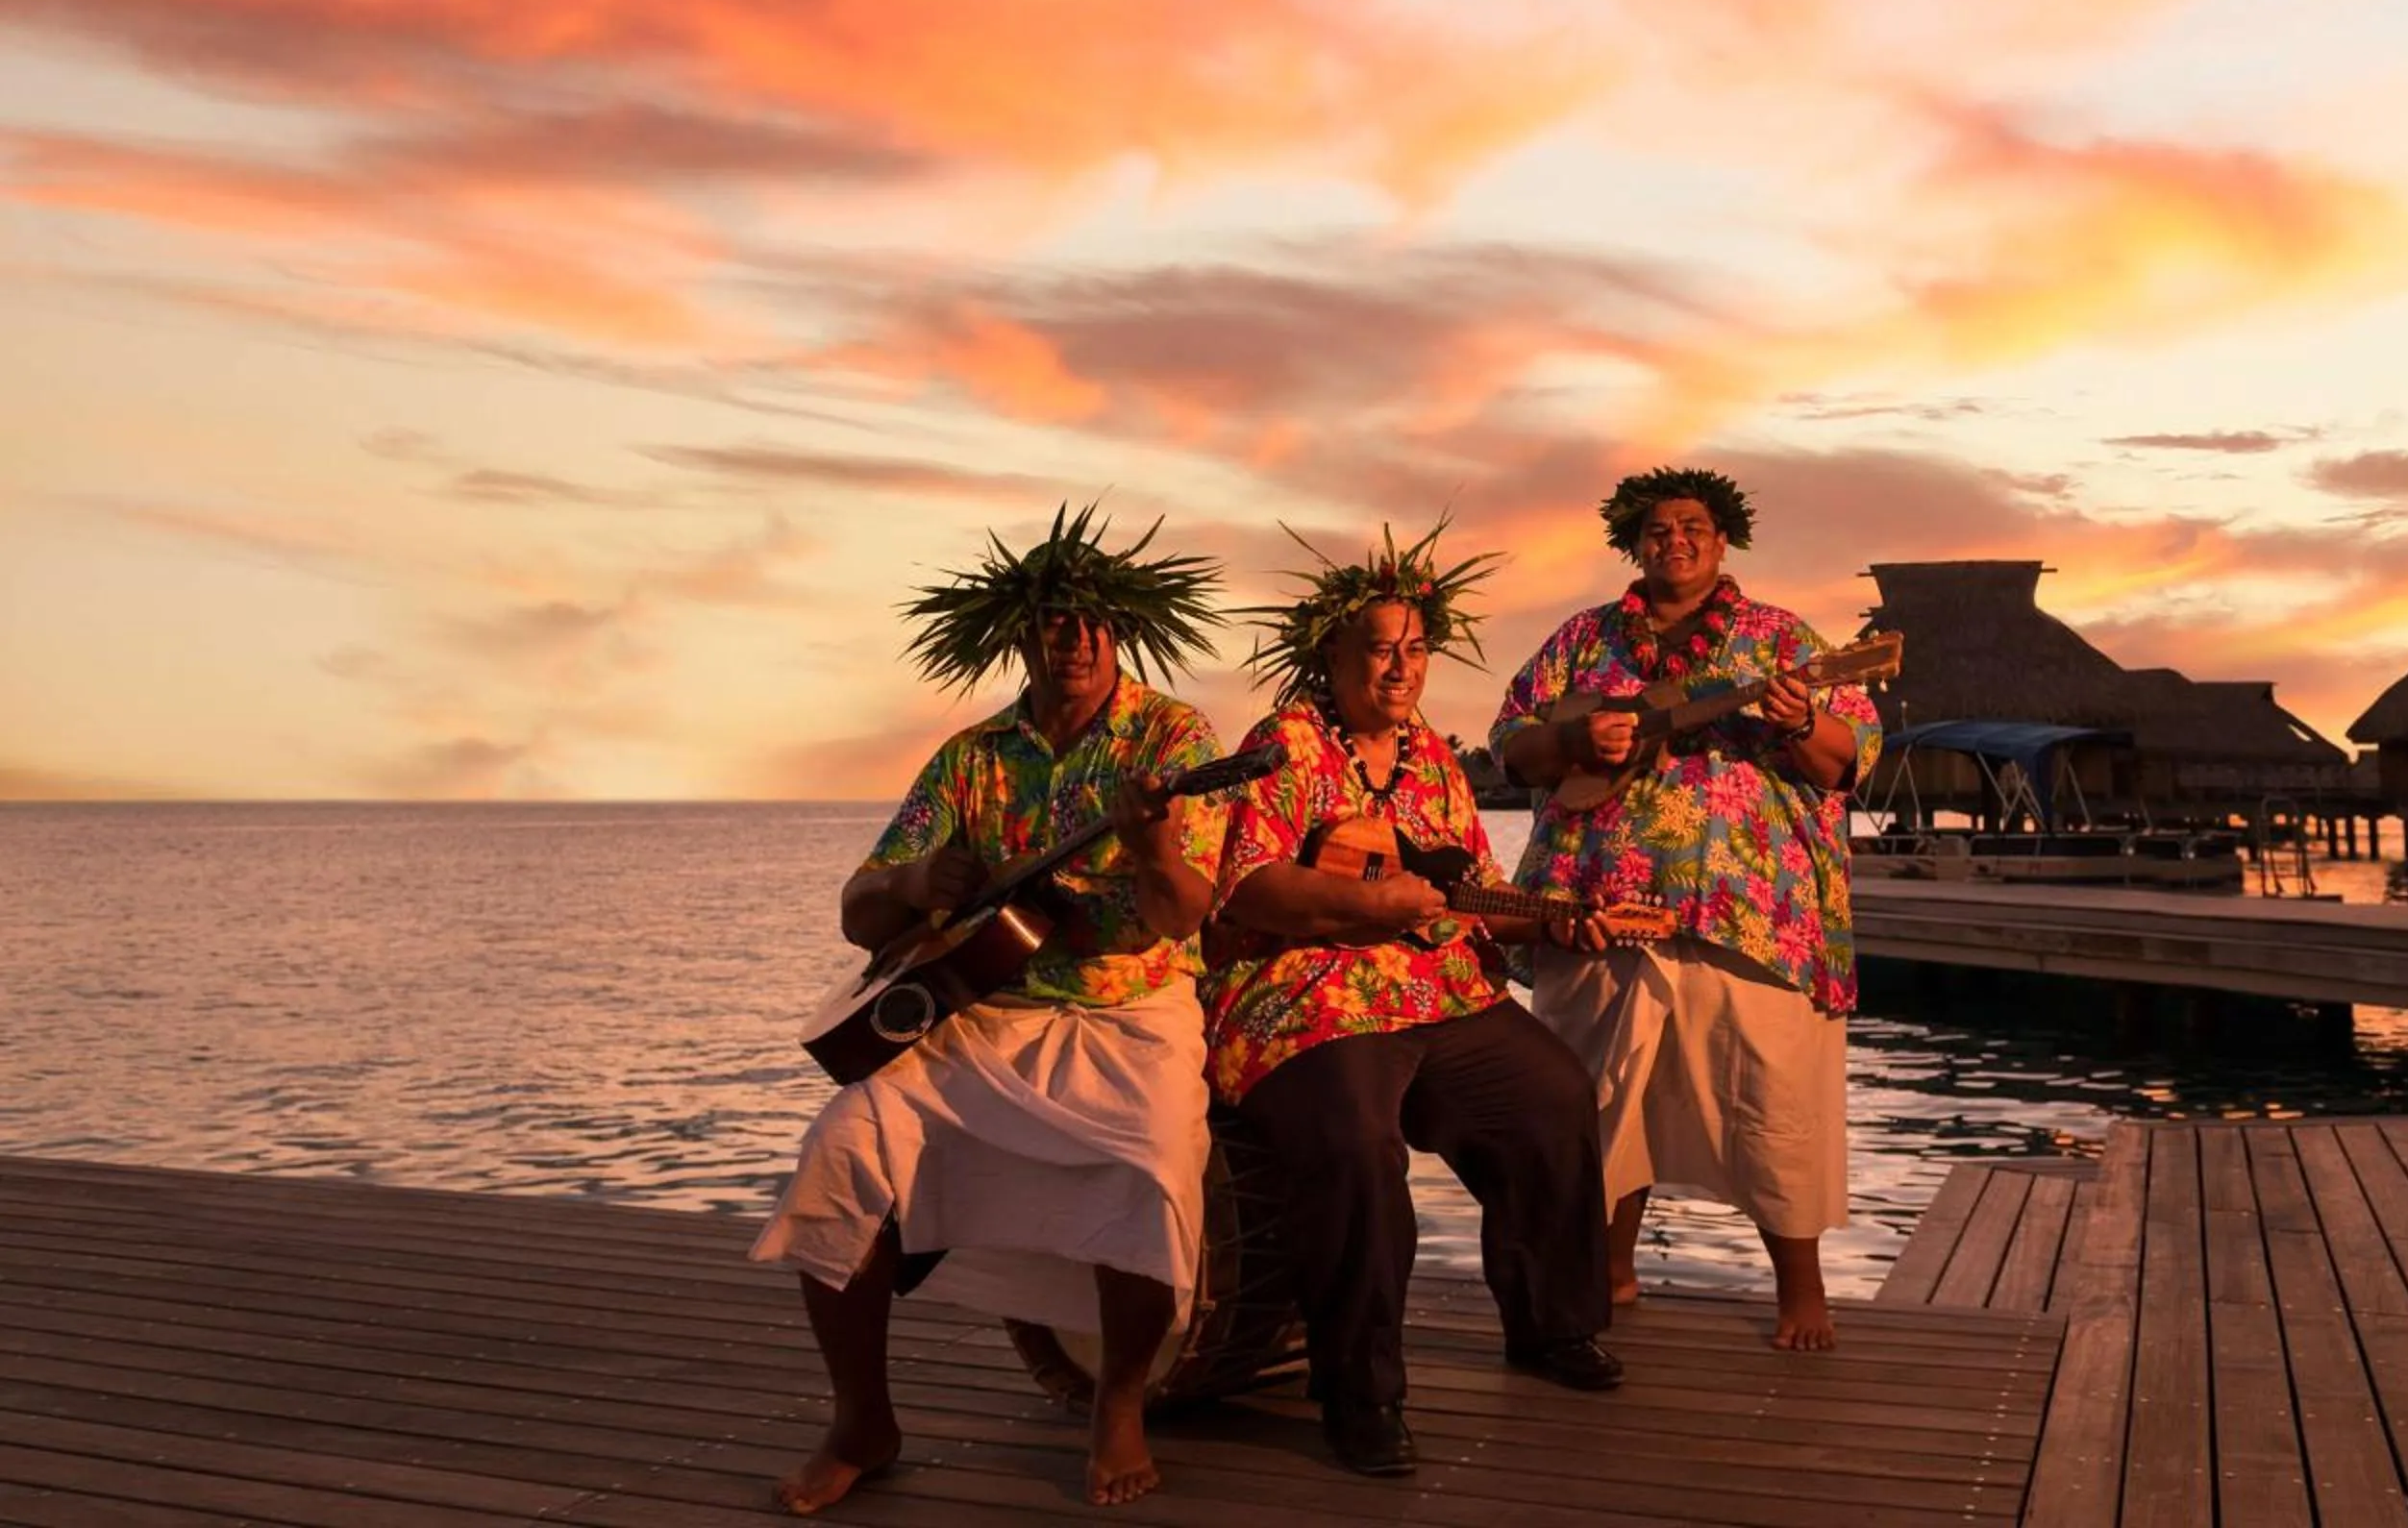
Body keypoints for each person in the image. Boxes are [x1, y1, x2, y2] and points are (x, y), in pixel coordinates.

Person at [751, 506, 1230, 1511]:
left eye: (1097, 622)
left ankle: (1120, 1400)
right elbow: (859, 909)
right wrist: (924, 872)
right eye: (1058, 622)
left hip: (1127, 1009)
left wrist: (1148, 847)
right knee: (842, 1144)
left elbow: (1182, 914)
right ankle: (861, 1417)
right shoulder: (971, 758)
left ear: (1123, 632)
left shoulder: (1173, 738)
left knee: (1153, 1157)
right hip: (981, 1012)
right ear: (1020, 633)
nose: (1080, 640)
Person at [1209, 521, 1622, 1478]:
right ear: (1334, 654)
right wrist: (1365, 902)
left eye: (1415, 648)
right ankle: (1361, 1392)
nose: (1401, 666)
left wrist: (1556, 917)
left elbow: (1469, 887)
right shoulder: (1285, 743)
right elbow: (1249, 883)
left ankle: (1549, 1324)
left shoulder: (1433, 755)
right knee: (1355, 1142)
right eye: (1381, 647)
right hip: (1306, 992)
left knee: (1553, 1094)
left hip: (1435, 988)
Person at [1491, 468, 1878, 1351]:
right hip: (1598, 902)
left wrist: (1794, 723)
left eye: (1693, 525)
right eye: (1658, 528)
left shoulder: (1783, 640)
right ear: (1634, 543)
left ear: (1723, 537)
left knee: (1770, 1098)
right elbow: (1513, 749)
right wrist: (1575, 738)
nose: (1676, 539)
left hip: (1750, 910)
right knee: (1600, 1100)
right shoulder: (1582, 641)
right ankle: (1608, 1269)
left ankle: (1800, 1290)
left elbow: (1842, 759)